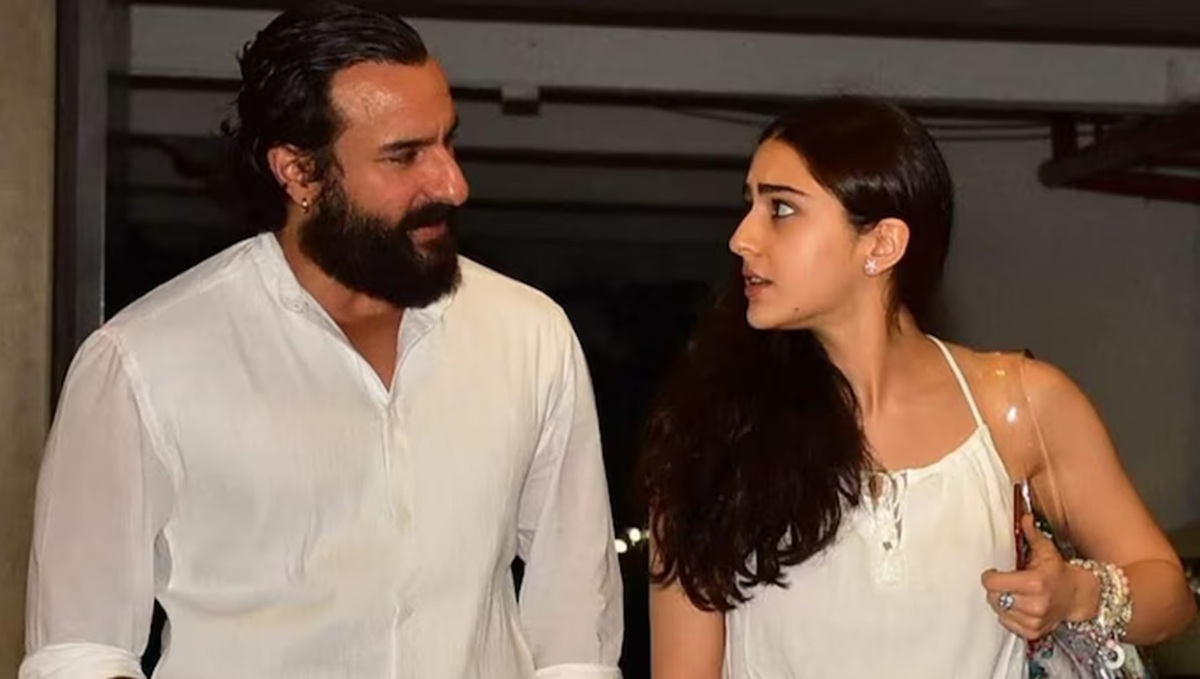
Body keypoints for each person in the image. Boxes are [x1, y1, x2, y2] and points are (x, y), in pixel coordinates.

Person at [21, 3, 623, 677]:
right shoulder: (141, 360)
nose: (453, 184)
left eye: (447, 142)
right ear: (299, 172)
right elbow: (80, 652)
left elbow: (576, 636)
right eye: (405, 155)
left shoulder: (529, 335)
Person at [639, 95, 1195, 678]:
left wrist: (1076, 594)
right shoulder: (711, 433)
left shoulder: (1019, 406)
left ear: (881, 245)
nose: (742, 237)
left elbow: (1170, 596)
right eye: (749, 204)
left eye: (780, 208)